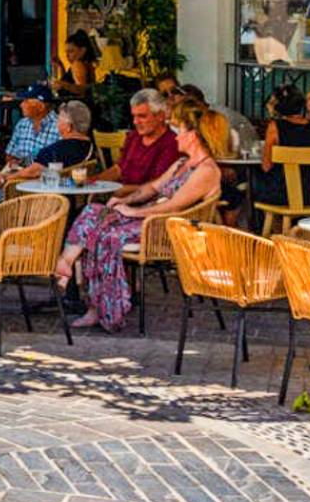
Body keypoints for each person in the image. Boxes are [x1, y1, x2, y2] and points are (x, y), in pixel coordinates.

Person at [54, 103, 228, 331]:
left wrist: (134, 212)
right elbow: (152, 188)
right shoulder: (181, 164)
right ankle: (67, 263)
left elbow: (174, 206)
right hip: (150, 219)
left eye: (180, 131)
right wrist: (125, 201)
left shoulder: (207, 171)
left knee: (106, 236)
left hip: (167, 229)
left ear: (193, 136)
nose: (176, 136)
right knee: (94, 210)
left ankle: (104, 310)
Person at [0, 99, 95, 204]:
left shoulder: (54, 151)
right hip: (64, 199)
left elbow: (33, 172)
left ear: (68, 127)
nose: (57, 124)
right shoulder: (90, 147)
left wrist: (4, 179)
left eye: (59, 120)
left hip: (30, 198)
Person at [254, 84, 310, 210]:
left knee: (254, 183)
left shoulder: (275, 127)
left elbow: (266, 166)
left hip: (284, 196)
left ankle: (265, 222)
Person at [113, 89, 181, 194]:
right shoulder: (133, 136)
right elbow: (119, 169)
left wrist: (119, 190)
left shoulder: (171, 143)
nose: (135, 122)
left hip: (147, 200)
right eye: (134, 116)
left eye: (142, 116)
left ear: (160, 116)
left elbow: (158, 185)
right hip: (120, 195)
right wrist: (95, 180)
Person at [54, 30, 100, 100]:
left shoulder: (78, 64)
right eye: (66, 52)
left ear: (83, 50)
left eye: (71, 51)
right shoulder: (88, 64)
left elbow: (81, 90)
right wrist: (61, 67)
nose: (67, 55)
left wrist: (63, 84)